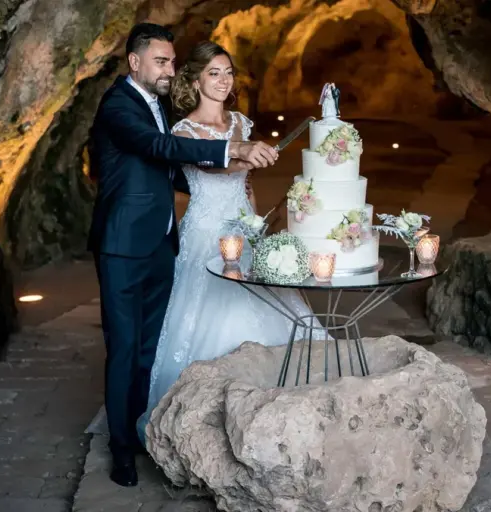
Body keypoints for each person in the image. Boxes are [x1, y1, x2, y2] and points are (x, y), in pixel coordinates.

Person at [86, 23, 278, 488]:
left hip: (163, 244)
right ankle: (122, 451)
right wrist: (230, 148)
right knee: (124, 347)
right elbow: (158, 146)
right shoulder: (119, 105)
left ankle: (142, 428)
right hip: (122, 248)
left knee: (149, 349)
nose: (169, 69)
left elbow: (168, 169)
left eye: (172, 61)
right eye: (161, 61)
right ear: (135, 62)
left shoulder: (154, 105)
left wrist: (228, 174)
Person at [137, 41, 323, 445]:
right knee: (207, 316)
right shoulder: (183, 130)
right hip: (205, 234)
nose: (223, 81)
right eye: (214, 73)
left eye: (228, 73)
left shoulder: (240, 123)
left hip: (244, 232)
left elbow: (247, 183)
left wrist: (256, 223)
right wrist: (244, 157)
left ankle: (277, 415)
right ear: (196, 80)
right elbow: (214, 166)